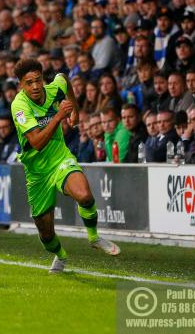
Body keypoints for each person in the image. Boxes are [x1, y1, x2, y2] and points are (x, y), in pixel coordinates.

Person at [10, 59, 120, 274]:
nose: (34, 86)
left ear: (43, 79)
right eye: (28, 82)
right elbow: (37, 143)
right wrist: (60, 115)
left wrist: (75, 111)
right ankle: (60, 255)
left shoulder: (54, 88)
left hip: (60, 157)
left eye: (38, 80)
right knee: (46, 234)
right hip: (37, 171)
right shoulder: (19, 106)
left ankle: (94, 237)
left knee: (85, 196)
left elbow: (64, 80)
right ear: (21, 85)